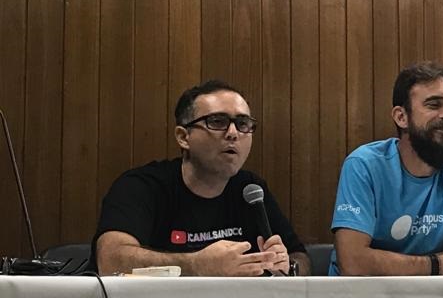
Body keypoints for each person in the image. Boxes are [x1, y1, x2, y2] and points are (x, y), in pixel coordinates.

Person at [93, 80, 310, 276]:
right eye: (217, 121)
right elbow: (110, 261)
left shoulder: (251, 190)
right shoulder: (141, 186)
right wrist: (196, 265)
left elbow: (300, 258)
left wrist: (286, 266)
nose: (233, 133)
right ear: (183, 137)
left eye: (243, 124)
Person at [330, 61, 443, 276]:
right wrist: (439, 265)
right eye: (434, 105)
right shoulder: (364, 164)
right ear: (401, 117)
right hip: (365, 297)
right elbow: (353, 262)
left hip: (437, 297)